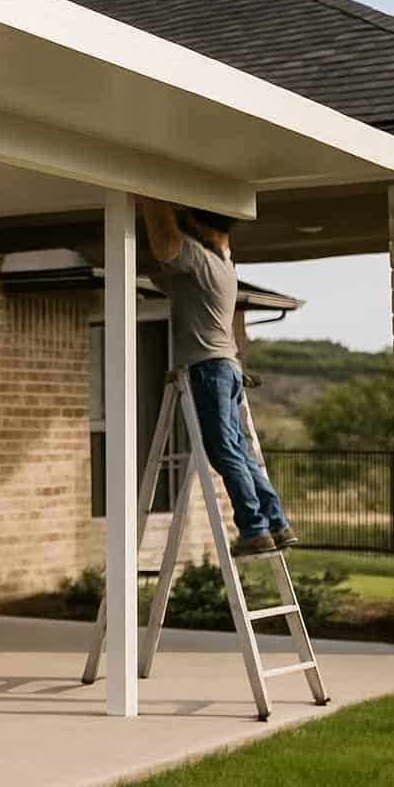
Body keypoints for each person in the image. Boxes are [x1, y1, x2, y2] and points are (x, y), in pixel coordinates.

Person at [142, 200, 298, 557]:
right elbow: (163, 268)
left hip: (209, 369)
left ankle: (254, 530)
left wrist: (150, 196)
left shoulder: (202, 260)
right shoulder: (221, 267)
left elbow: (166, 246)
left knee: (224, 451)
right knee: (239, 451)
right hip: (225, 368)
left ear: (201, 227)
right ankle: (276, 524)